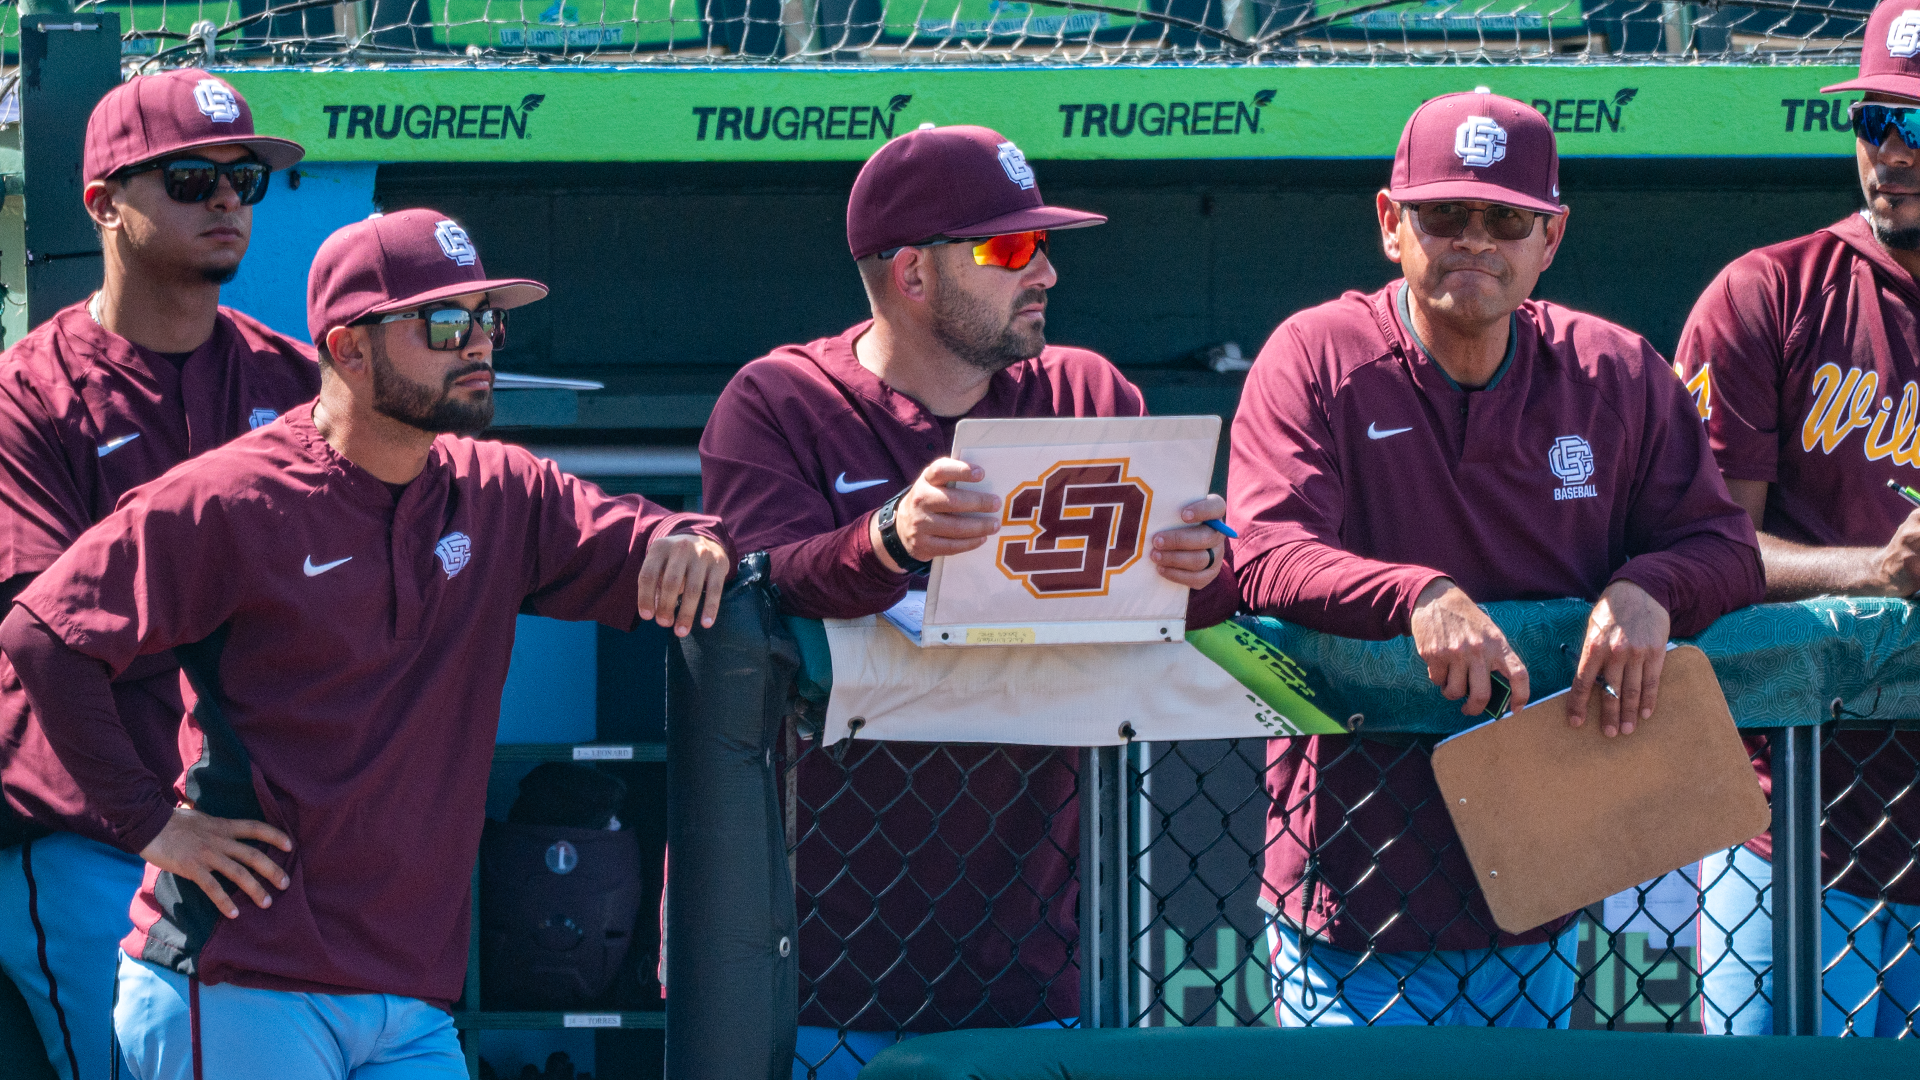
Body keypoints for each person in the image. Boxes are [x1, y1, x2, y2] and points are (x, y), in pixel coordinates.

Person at [0, 208, 732, 1080]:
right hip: (242, 981)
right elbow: (41, 631)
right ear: (348, 349)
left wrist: (694, 536)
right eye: (447, 323)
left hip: (412, 1001)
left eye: (489, 320)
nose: (481, 346)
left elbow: (646, 541)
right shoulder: (231, 496)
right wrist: (154, 824)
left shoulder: (505, 489)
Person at [698, 123, 1237, 1079]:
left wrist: (1200, 568)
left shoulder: (1085, 393)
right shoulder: (780, 399)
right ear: (912, 274)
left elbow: (1185, 604)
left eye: (1044, 244)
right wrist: (888, 540)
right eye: (1010, 248)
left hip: (1036, 956)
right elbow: (763, 585)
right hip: (816, 963)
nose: (1046, 273)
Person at [1226, 90, 1764, 1029]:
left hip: (1546, 881)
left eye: (1506, 218)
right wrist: (1416, 595)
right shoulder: (1314, 355)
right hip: (1356, 887)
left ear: (1549, 239)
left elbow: (1723, 545)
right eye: (1444, 214)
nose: (1475, 238)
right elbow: (1264, 554)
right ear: (1392, 223)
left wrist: (1651, 587)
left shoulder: (1616, 370)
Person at [0, 69, 317, 1080]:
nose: (227, 199)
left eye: (243, 180)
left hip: (271, 844)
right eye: (190, 177)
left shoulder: (297, 384)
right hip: (99, 834)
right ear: (103, 204)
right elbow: (58, 629)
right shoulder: (29, 396)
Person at [1676, 0, 1920, 1037]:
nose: (1893, 153)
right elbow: (1702, 546)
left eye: (1919, 126)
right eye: (1875, 121)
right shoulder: (1766, 295)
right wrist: (1877, 571)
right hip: (1794, 822)